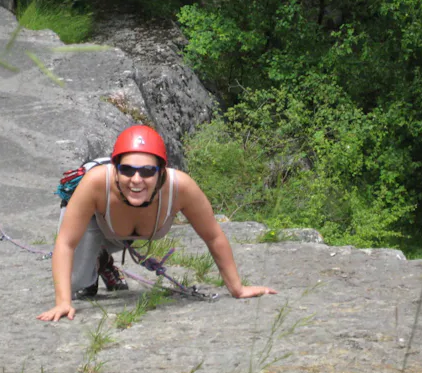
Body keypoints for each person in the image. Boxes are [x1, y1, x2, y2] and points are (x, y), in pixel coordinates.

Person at [37, 125, 277, 322]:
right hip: (96, 220)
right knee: (75, 283)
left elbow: (213, 236)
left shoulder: (180, 188)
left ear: (161, 172)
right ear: (115, 170)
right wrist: (63, 302)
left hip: (118, 230)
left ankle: (100, 259)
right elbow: (66, 243)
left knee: (92, 258)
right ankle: (95, 260)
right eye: (127, 170)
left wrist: (237, 289)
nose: (136, 180)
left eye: (147, 172)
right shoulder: (95, 184)